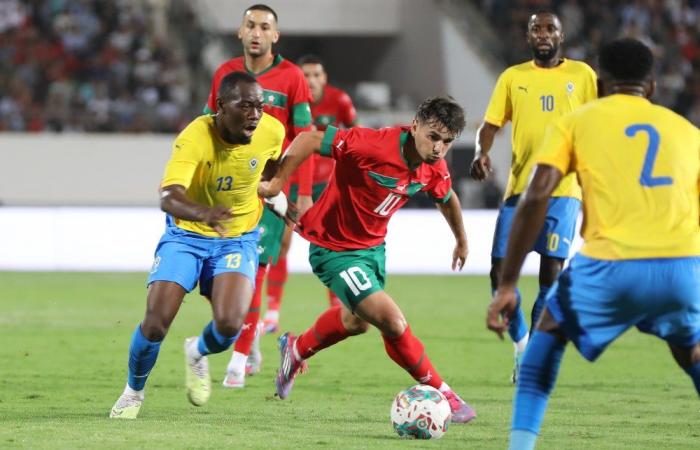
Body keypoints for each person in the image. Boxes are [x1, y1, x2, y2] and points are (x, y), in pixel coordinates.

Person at [486, 38, 700, 450]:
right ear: (651, 86)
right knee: (688, 349)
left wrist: (509, 284)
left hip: (611, 264)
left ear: (600, 83)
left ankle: (520, 446)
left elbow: (536, 195)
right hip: (682, 266)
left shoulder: (578, 122)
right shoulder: (687, 133)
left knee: (547, 337)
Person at [259, 96, 477, 423]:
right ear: (415, 125)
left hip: (372, 251)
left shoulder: (434, 167)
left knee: (355, 322)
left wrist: (461, 239)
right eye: (433, 137)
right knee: (392, 321)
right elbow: (308, 138)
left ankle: (296, 349)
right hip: (333, 249)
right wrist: (277, 182)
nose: (438, 148)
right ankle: (443, 392)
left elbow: (446, 198)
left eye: (447, 142)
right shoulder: (372, 144)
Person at [109, 72, 285, 419]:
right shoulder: (194, 137)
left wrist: (272, 195)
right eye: (245, 105)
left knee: (229, 326)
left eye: (259, 107)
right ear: (221, 106)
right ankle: (133, 391)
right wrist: (203, 212)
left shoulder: (271, 131)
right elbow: (168, 196)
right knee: (157, 322)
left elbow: (271, 167)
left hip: (238, 237)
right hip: (187, 234)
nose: (255, 114)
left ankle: (197, 351)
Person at [470, 10, 597, 382]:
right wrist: (481, 152)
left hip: (564, 191)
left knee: (550, 275)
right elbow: (491, 125)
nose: (543, 34)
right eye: (535, 29)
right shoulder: (513, 77)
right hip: (519, 191)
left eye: (549, 28)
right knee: (498, 272)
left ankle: (532, 357)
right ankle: (522, 343)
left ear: (561, 36)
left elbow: (599, 122)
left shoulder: (583, 76)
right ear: (527, 37)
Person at [203, 4, 314, 388]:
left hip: (267, 189)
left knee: (256, 270)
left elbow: (304, 140)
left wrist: (300, 194)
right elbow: (205, 127)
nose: (256, 32)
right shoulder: (224, 74)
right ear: (240, 31)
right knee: (217, 277)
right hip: (225, 190)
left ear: (275, 36)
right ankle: (244, 335)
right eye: (250, 25)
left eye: (264, 27)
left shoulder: (292, 78)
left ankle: (239, 359)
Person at [258, 53, 357, 316]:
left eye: (316, 75)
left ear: (324, 77)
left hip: (327, 185)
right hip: (291, 181)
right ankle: (272, 311)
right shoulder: (291, 101)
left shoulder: (340, 101)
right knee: (282, 243)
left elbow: (356, 136)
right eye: (306, 76)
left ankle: (337, 306)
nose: (311, 80)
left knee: (332, 244)